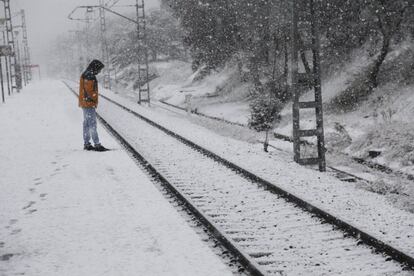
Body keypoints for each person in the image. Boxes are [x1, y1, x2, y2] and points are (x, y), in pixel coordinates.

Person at [79, 59, 108, 152]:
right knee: (92, 124)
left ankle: (87, 143)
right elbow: (90, 91)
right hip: (88, 103)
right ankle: (97, 144)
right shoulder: (89, 76)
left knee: (87, 124)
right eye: (99, 69)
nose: (99, 72)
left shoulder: (86, 74)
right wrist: (95, 100)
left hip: (85, 102)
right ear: (95, 67)